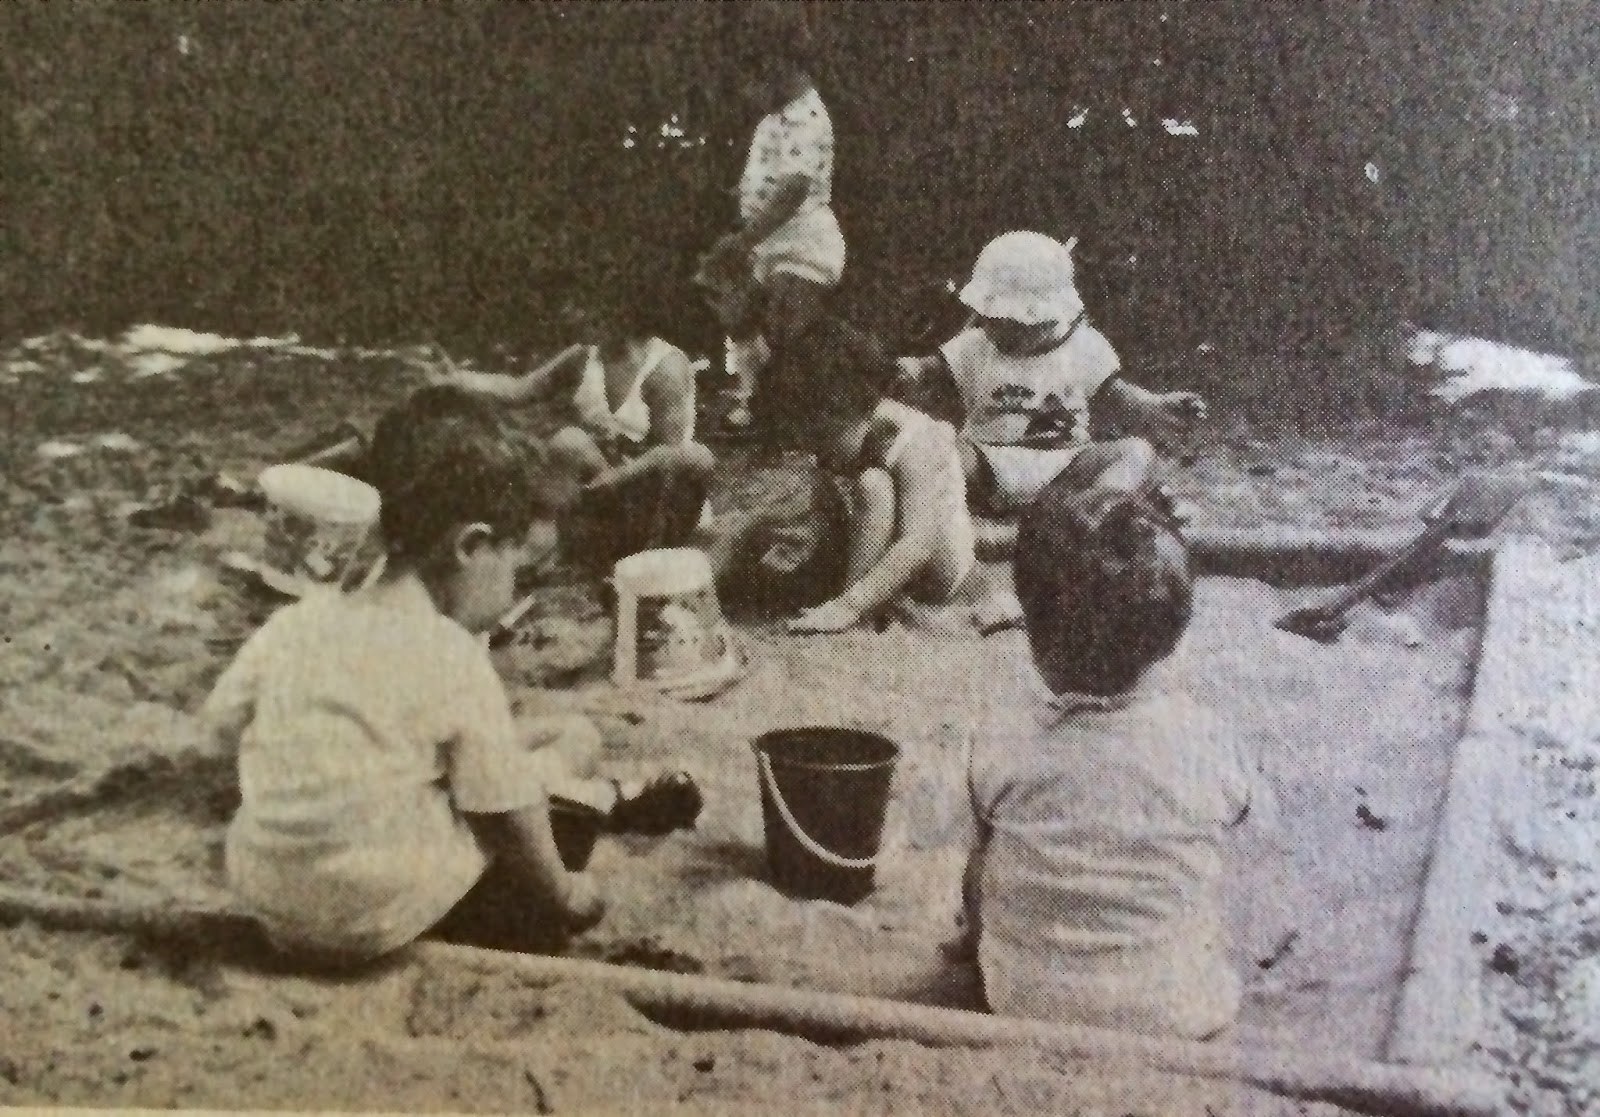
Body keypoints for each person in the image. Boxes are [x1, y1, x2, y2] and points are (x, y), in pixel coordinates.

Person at [202, 387, 701, 965]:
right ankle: (602, 803)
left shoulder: (298, 621)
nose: (514, 591)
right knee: (547, 782)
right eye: (515, 568)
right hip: (376, 916)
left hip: (270, 903)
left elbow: (217, 734)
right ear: (472, 547)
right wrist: (568, 896)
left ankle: (606, 797)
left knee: (540, 741)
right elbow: (506, 812)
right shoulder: (450, 654)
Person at [957, 478, 1252, 1039]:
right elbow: (1239, 818)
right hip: (1182, 1011)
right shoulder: (1206, 735)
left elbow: (979, 871)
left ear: (1038, 641)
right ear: (1171, 637)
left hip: (1025, 1001)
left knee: (987, 848)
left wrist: (974, 941)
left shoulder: (1006, 735)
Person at [897, 230, 1206, 519]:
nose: (1002, 332)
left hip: (1064, 463)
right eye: (993, 321)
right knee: (940, 450)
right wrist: (907, 370)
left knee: (1136, 452)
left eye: (1018, 324)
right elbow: (929, 368)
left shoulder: (1084, 347)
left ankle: (1097, 508)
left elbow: (1116, 392)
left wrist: (1154, 404)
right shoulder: (975, 345)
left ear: (1051, 315)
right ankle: (933, 512)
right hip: (986, 459)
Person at [435, 275, 715, 579]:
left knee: (571, 442)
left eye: (589, 314)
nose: (576, 320)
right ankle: (543, 544)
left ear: (619, 314)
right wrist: (457, 380)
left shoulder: (664, 368)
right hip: (606, 482)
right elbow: (519, 389)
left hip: (656, 487)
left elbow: (670, 454)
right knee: (568, 443)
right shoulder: (584, 356)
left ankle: (592, 549)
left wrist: (617, 475)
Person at [700, 6, 844, 430]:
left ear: (776, 67)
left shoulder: (808, 119)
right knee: (737, 311)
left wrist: (744, 239)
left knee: (788, 321)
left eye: (751, 81)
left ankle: (797, 406)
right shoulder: (773, 119)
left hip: (802, 241)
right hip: (767, 240)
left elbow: (792, 192)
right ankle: (756, 396)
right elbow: (765, 181)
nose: (746, 93)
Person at [775, 348, 976, 634]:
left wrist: (849, 605)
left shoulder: (919, 440)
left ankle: (852, 606)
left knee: (872, 483)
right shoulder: (860, 436)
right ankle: (852, 598)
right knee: (866, 483)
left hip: (936, 567)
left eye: (824, 441)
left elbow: (918, 545)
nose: (822, 454)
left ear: (855, 415)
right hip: (886, 560)